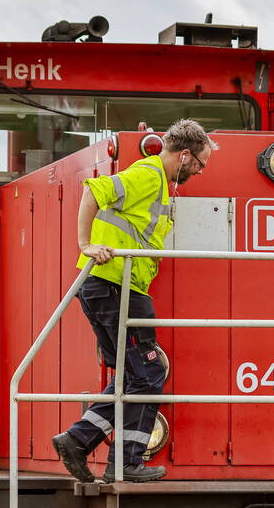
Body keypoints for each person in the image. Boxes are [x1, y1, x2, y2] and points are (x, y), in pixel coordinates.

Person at [52, 119, 217, 483]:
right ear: (185, 155)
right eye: (200, 164)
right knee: (150, 371)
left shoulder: (158, 181)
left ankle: (80, 442)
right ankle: (119, 459)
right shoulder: (149, 174)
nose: (199, 171)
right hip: (114, 286)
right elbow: (93, 191)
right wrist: (85, 245)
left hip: (116, 288)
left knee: (133, 375)